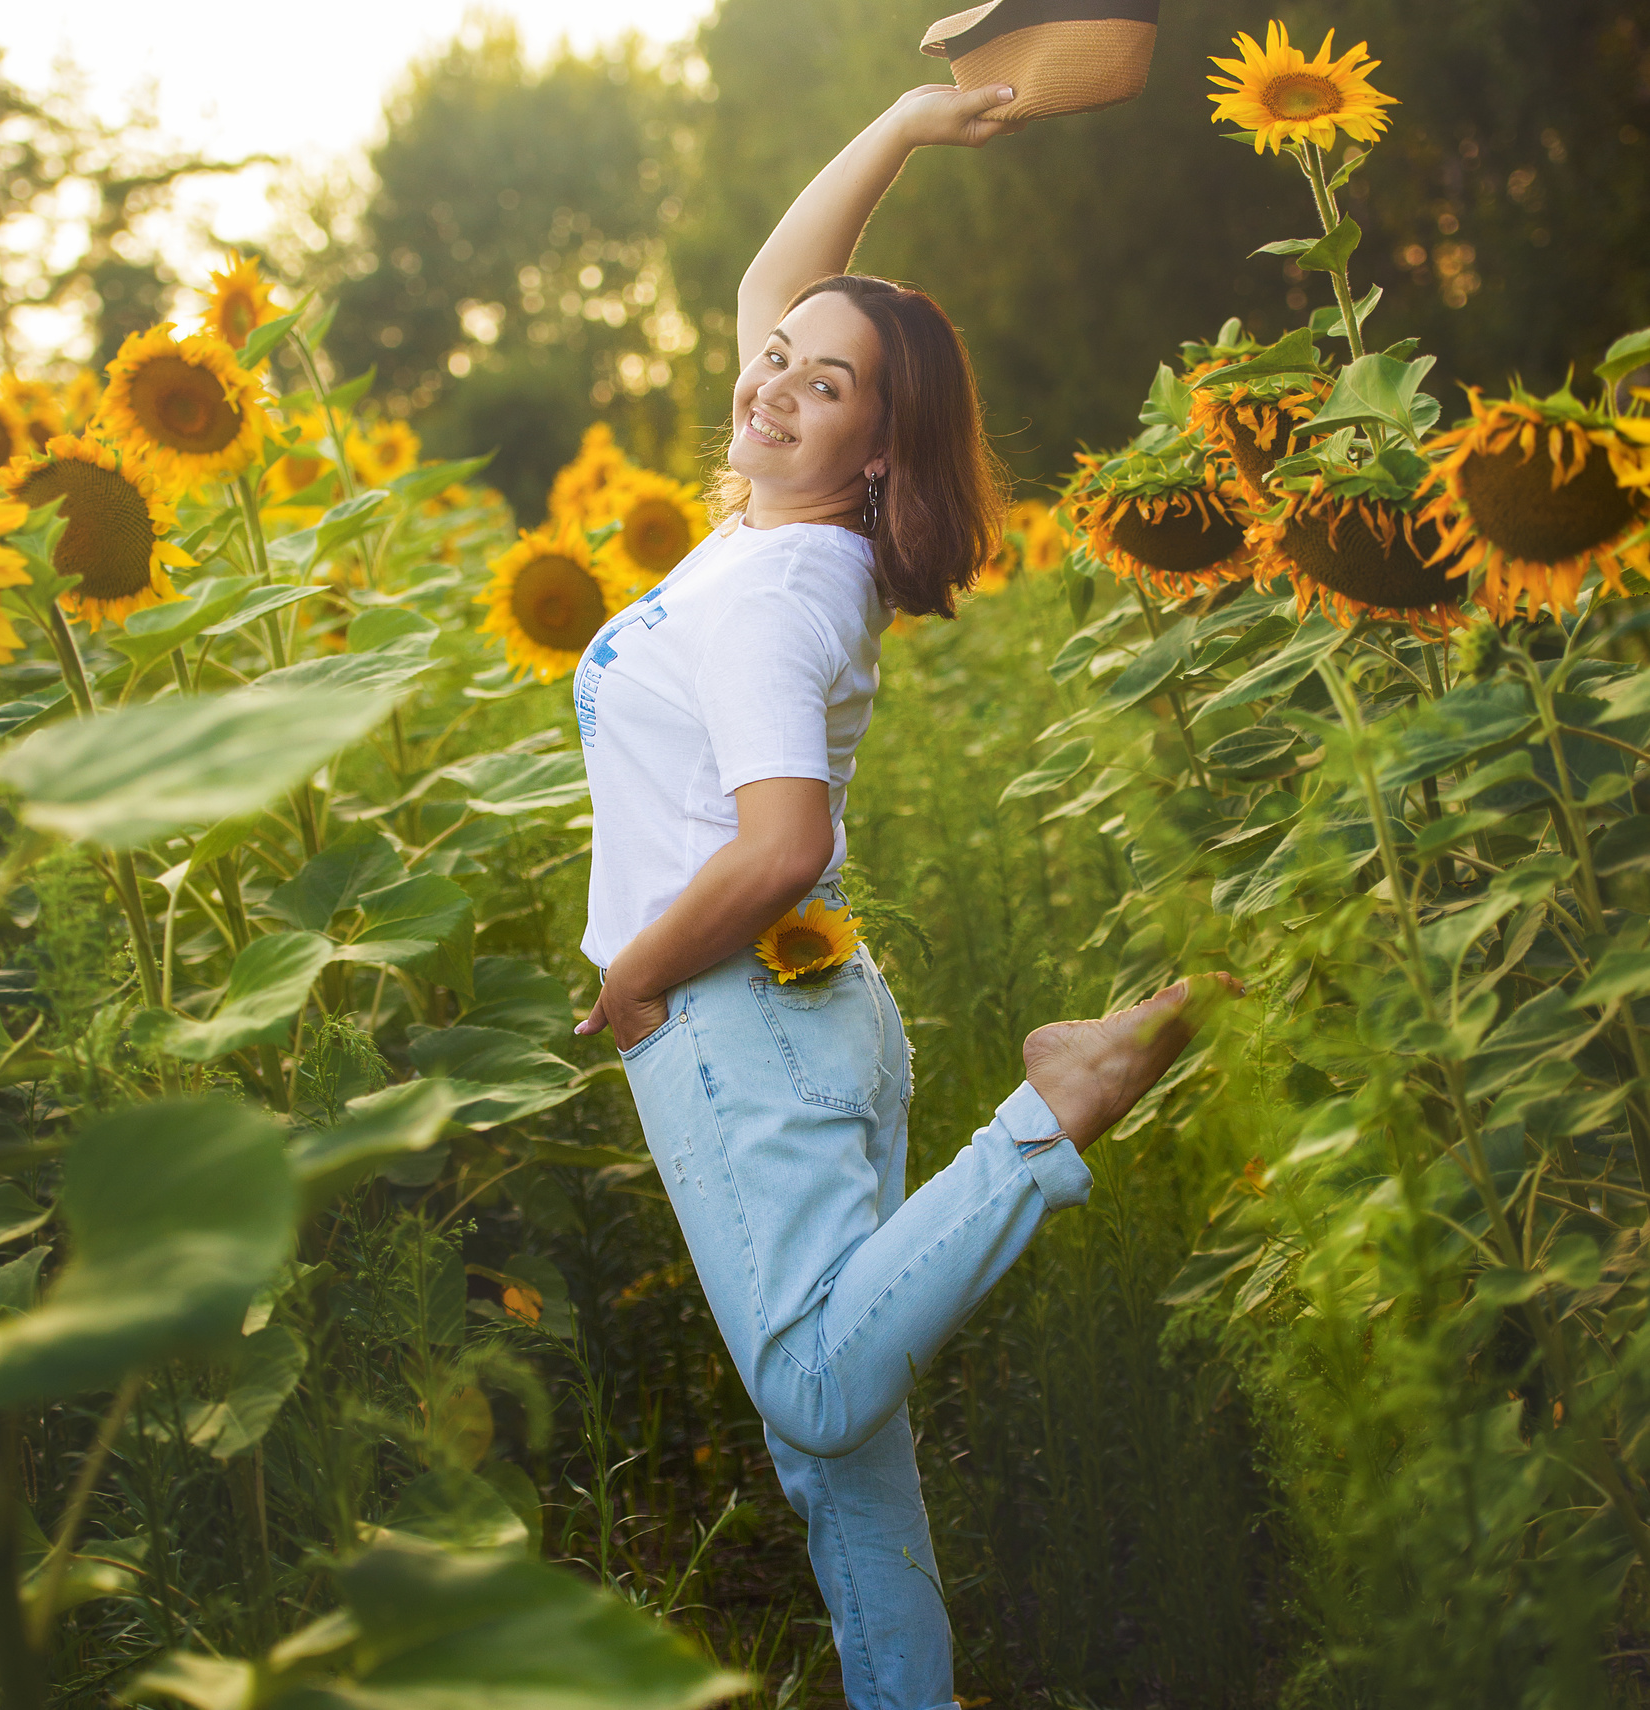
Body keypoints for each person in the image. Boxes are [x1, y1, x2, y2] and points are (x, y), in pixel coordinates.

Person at [574, 82, 1237, 1710]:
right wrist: (905, 123)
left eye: (828, 384)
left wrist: (633, 982)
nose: (777, 384)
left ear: (881, 447)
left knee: (811, 1392)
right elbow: (777, 289)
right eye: (778, 364)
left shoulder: (774, 593)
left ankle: (1045, 1115)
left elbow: (781, 842)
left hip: (741, 1024)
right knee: (848, 1467)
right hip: (812, 1019)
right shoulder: (780, 535)